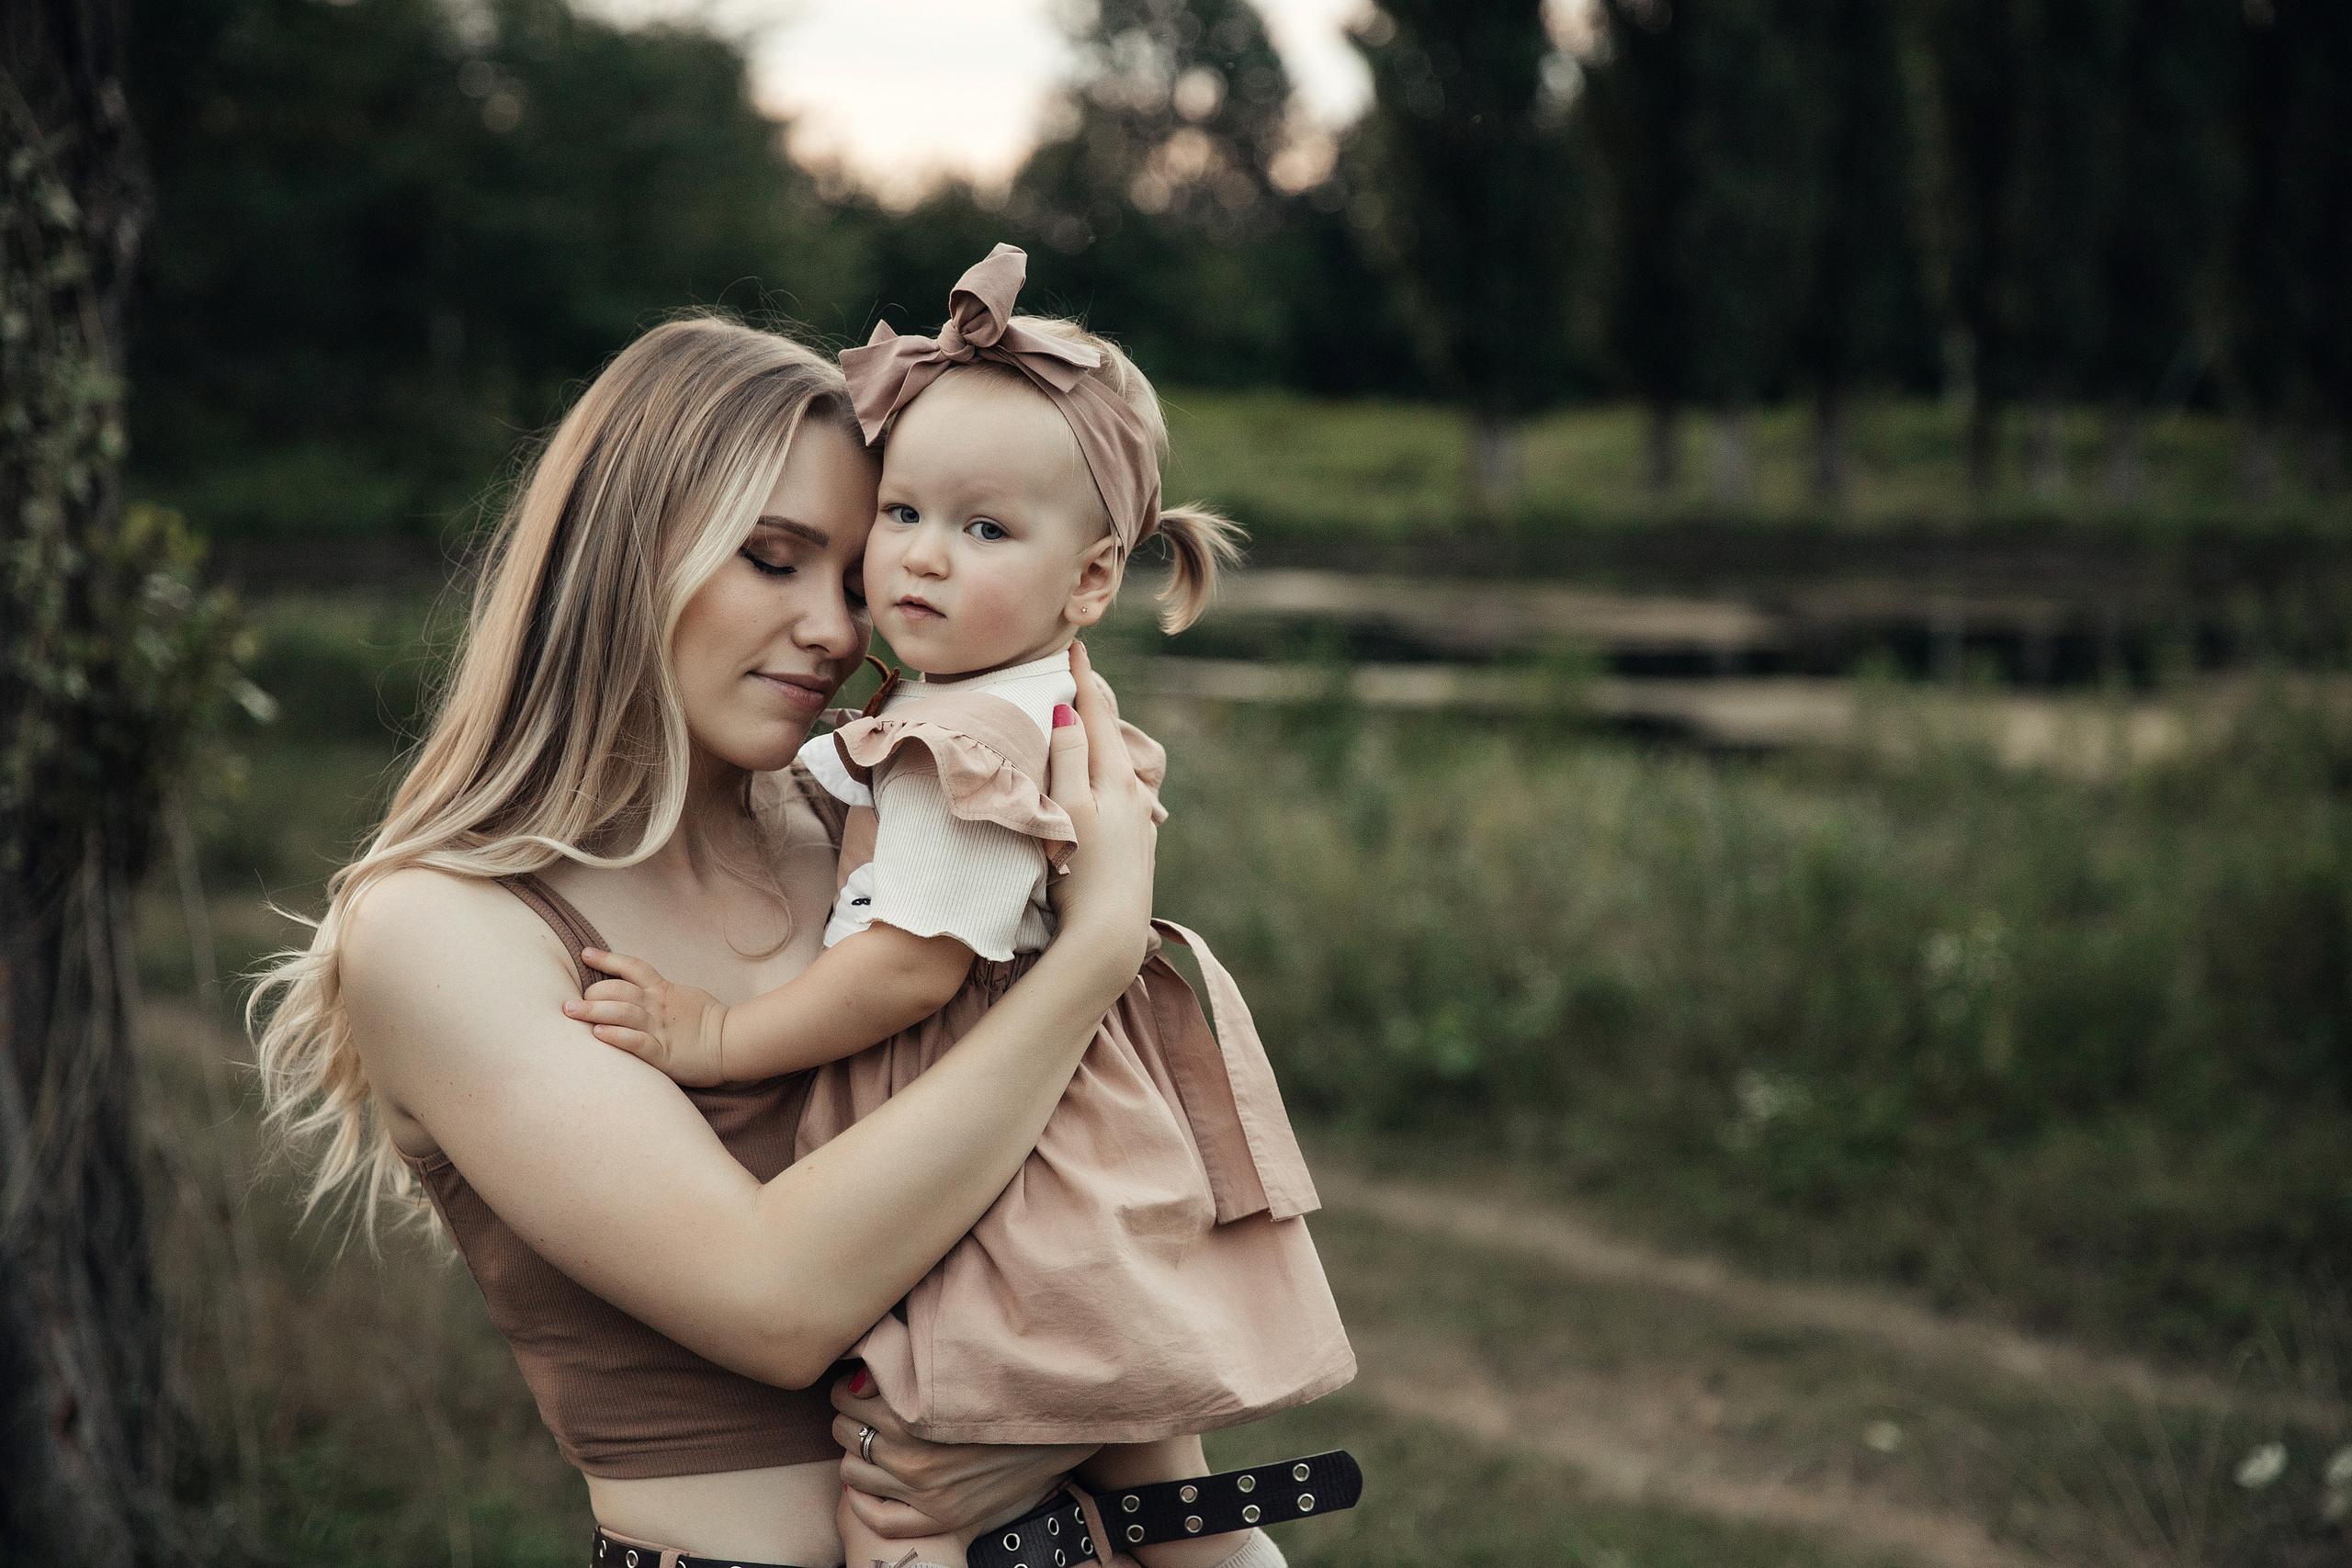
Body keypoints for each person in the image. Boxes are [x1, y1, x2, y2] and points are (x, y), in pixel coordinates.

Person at [252, 316, 1169, 1568]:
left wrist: (1065, 1421)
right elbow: (775, 1303)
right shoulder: (443, 928)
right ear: (623, 556)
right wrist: (1092, 960)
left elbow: (1087, 1192)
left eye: (856, 578)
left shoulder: (864, 845)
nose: (839, 633)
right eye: (772, 560)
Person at [566, 246, 1354, 1568]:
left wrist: (712, 1039)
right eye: (907, 514)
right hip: (1052, 1135)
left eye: (985, 531)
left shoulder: (966, 741)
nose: (918, 563)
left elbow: (907, 971)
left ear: (1093, 581)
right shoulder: (977, 714)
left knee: (908, 1473)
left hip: (1005, 1151)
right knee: (1137, 1487)